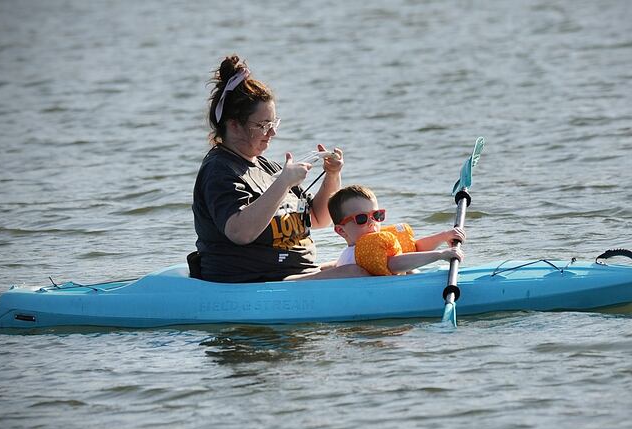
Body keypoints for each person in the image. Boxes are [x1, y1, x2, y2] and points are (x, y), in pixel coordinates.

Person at [192, 54, 366, 282]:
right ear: (234, 126)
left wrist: (332, 175)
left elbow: (318, 218)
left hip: (297, 276)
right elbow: (239, 232)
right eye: (263, 125)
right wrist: (283, 183)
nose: (272, 133)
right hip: (254, 282)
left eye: (274, 124)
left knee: (367, 261)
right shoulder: (219, 170)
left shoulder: (266, 167)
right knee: (356, 272)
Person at [327, 185, 465, 275]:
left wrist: (443, 236)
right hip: (375, 296)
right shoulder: (353, 255)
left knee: (411, 268)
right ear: (341, 231)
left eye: (376, 215)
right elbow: (393, 264)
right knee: (409, 269)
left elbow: (414, 249)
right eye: (361, 218)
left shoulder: (378, 245)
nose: (372, 223)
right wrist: (440, 255)